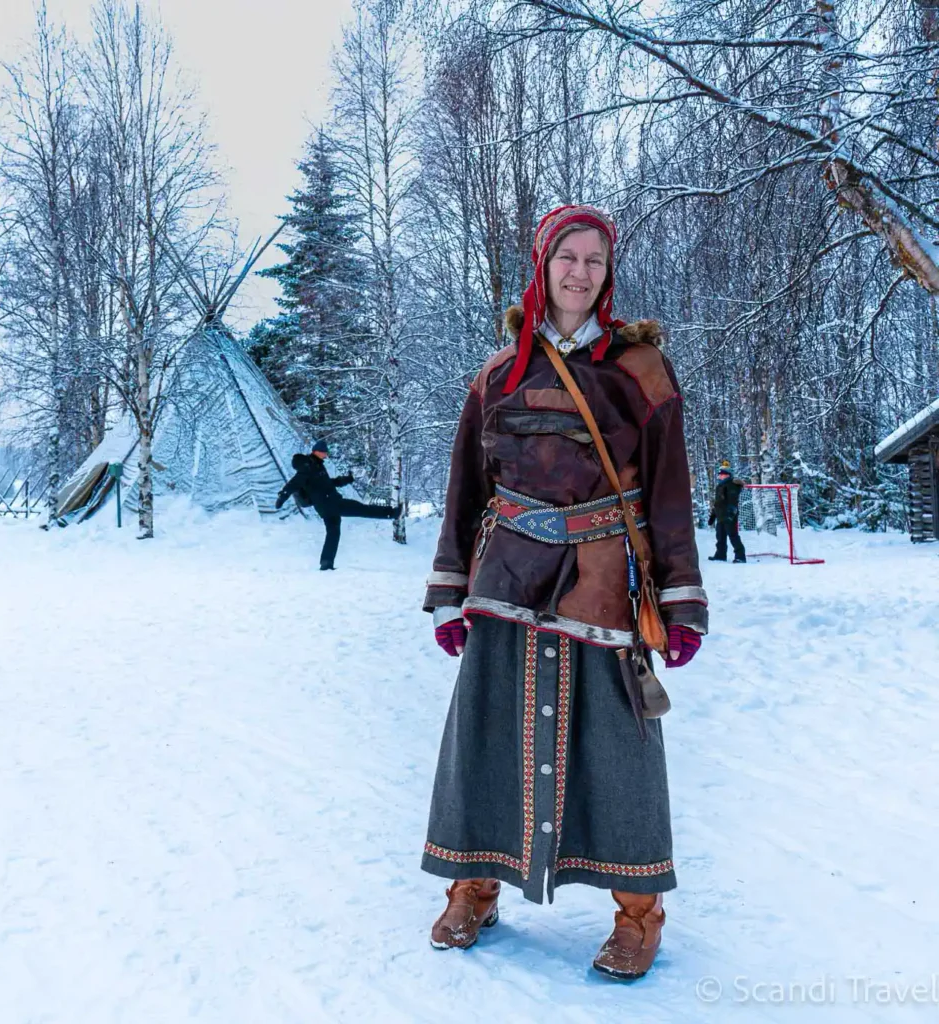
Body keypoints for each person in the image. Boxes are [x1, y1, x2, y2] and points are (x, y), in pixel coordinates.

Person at [421, 205, 708, 980]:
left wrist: (682, 598)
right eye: (568, 257)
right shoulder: (497, 375)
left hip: (605, 582)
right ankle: (473, 887)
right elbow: (464, 493)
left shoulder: (640, 373)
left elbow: (671, 494)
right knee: (488, 737)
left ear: (608, 274)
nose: (581, 272)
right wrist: (450, 591)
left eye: (595, 260)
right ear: (542, 265)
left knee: (620, 749)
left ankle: (637, 914)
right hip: (505, 579)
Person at [275, 438, 399, 570]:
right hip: (330, 502)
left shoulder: (316, 465)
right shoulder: (308, 467)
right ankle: (391, 513)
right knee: (361, 508)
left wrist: (346, 479)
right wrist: (282, 497)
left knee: (333, 533)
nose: (326, 454)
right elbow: (294, 483)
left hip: (325, 506)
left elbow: (328, 483)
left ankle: (326, 563)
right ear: (317, 451)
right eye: (324, 452)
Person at [708, 460, 746, 563]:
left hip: (729, 516)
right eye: (719, 474)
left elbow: (732, 501)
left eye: (722, 474)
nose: (720, 476)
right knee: (720, 536)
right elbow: (718, 503)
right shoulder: (720, 486)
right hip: (720, 515)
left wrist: (730, 514)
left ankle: (740, 556)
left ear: (727, 475)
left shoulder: (732, 485)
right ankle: (720, 554)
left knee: (733, 535)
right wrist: (713, 515)